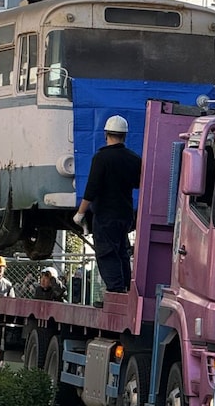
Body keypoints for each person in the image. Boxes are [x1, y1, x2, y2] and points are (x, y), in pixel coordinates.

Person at [73, 114, 141, 294]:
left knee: (107, 253)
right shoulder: (134, 158)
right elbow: (138, 183)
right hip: (125, 215)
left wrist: (80, 213)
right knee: (121, 252)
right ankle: (126, 289)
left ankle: (116, 292)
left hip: (105, 215)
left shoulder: (101, 158)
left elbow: (92, 188)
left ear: (106, 134)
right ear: (125, 136)